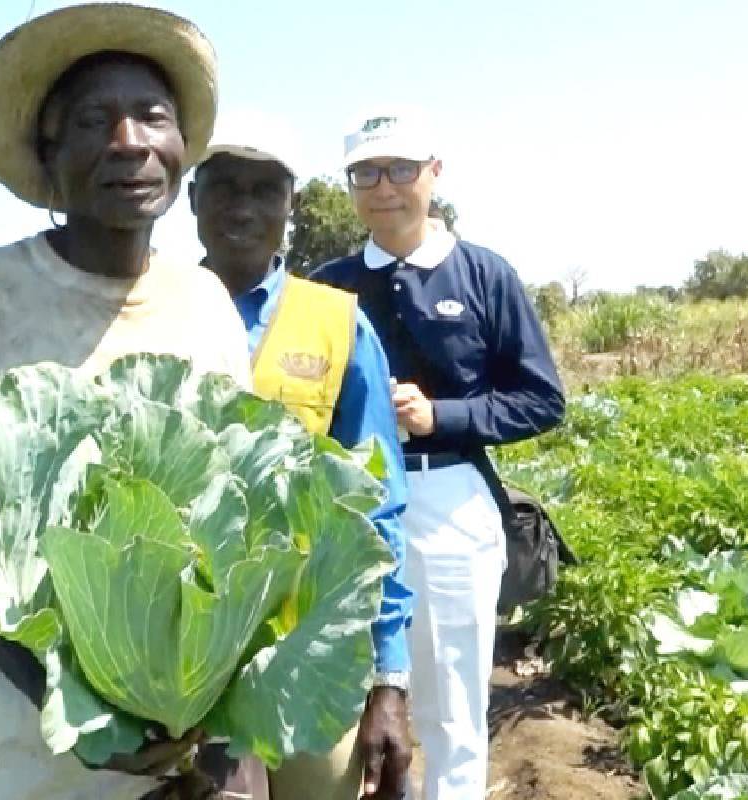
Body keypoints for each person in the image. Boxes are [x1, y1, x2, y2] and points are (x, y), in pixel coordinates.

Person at [0, 5, 263, 798]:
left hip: (207, 747)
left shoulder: (206, 300)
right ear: (50, 153)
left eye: (152, 117)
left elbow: (254, 527)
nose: (129, 143)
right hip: (45, 761)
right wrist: (87, 712)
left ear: (180, 145)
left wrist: (220, 736)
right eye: (94, 122)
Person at [312, 109, 565, 800]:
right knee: (337, 690)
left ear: (435, 173)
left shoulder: (484, 275)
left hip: (448, 499)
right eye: (365, 172)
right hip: (345, 506)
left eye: (400, 168)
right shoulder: (326, 285)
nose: (382, 186)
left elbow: (541, 399)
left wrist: (442, 416)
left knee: (451, 699)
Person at [189, 128, 414, 800]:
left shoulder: (337, 322)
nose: (243, 207)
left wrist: (389, 680)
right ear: (191, 199)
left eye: (266, 191)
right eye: (224, 187)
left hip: (313, 649)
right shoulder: (152, 313)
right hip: (185, 660)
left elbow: (379, 504)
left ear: (292, 204)